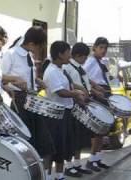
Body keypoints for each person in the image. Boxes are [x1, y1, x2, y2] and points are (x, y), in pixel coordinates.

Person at [0, 26, 54, 178]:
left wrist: (37, 80)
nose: (40, 50)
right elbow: (0, 77)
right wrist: (14, 83)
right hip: (19, 101)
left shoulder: (28, 56)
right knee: (25, 146)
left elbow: (27, 77)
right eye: (39, 47)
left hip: (33, 100)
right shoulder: (10, 54)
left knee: (44, 143)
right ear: (31, 44)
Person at [43, 41, 86, 180]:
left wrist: (82, 90)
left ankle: (60, 175)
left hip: (65, 113)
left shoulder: (62, 69)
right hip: (55, 115)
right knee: (53, 147)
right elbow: (60, 92)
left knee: (62, 147)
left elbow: (71, 85)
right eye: (68, 52)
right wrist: (75, 94)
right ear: (60, 54)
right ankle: (48, 176)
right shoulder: (51, 71)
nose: (70, 55)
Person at [62, 42, 105, 177]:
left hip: (83, 103)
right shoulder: (67, 68)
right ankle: (68, 166)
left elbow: (85, 82)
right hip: (73, 104)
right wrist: (79, 92)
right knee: (72, 137)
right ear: (77, 55)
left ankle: (77, 164)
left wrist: (94, 90)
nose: (86, 59)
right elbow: (69, 85)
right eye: (84, 57)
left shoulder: (80, 68)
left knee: (80, 138)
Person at [83, 37, 111, 171]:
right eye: (101, 48)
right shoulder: (90, 61)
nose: (103, 50)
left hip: (104, 93)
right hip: (97, 94)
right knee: (97, 130)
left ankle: (97, 159)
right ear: (94, 47)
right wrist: (94, 90)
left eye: (105, 48)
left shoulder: (101, 62)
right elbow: (84, 77)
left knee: (103, 131)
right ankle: (91, 160)